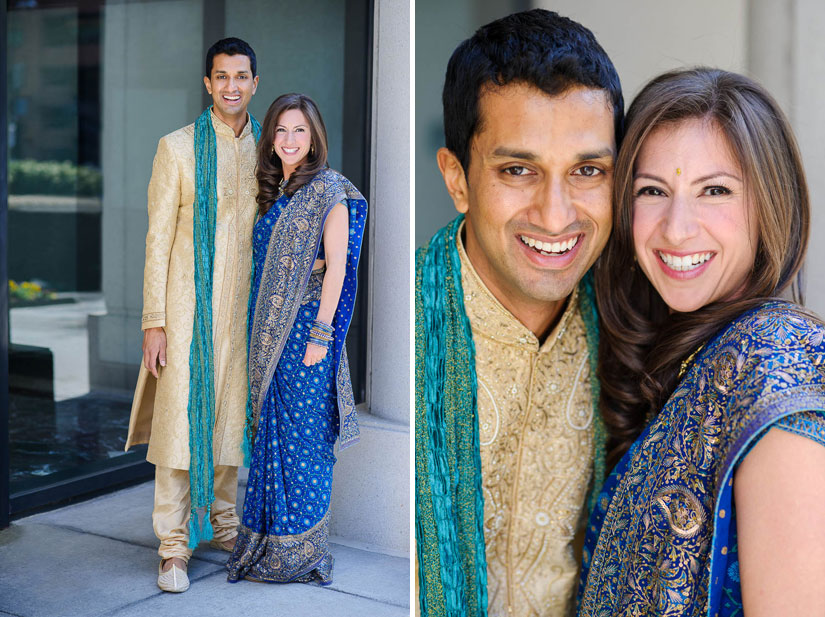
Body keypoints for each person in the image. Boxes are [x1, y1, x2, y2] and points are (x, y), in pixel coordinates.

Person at [578, 68, 825, 616]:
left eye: (715, 190)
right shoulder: (687, 356)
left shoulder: (778, 356)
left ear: (770, 204)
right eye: (652, 191)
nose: (676, 227)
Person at [415, 9, 623, 617]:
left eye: (588, 171)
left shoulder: (638, 335)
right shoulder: (396, 340)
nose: (556, 215)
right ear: (457, 179)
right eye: (518, 170)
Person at [124, 37, 261, 593]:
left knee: (231, 422)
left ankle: (225, 525)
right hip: (185, 314)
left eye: (241, 76)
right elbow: (158, 239)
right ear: (207, 83)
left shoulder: (269, 152)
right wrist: (153, 321)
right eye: (221, 76)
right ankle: (173, 547)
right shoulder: (177, 148)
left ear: (255, 83)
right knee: (181, 428)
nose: (231, 85)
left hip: (243, 314)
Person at [224, 93, 367, 585]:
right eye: (281, 131)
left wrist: (321, 338)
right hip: (266, 339)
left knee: (304, 442)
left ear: (315, 137)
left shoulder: (330, 190)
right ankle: (266, 543)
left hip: (308, 333)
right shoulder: (272, 191)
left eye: (299, 131)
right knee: (271, 440)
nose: (289, 140)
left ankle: (301, 552)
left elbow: (338, 270)